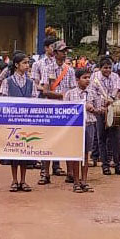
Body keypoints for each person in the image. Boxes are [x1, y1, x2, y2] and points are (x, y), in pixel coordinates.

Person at [35, 40, 76, 183]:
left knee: (68, 140)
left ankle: (70, 173)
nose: (65, 54)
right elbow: (45, 91)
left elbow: (73, 90)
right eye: (62, 51)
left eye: (66, 51)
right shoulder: (47, 68)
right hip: (51, 109)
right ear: (56, 53)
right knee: (48, 140)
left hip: (66, 110)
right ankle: (45, 173)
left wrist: (65, 97)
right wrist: (62, 95)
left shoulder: (70, 70)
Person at [0, 51, 39, 192]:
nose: (27, 65)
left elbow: (34, 101)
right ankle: (14, 179)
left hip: (26, 120)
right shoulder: (7, 81)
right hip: (12, 120)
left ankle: (23, 180)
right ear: (17, 65)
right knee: (14, 150)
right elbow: (4, 101)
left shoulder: (31, 82)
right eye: (24, 63)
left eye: (28, 63)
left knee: (25, 150)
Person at [64, 69, 97, 193]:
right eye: (84, 77)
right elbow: (65, 110)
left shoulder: (93, 93)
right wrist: (81, 107)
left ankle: (84, 181)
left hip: (89, 124)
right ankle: (76, 182)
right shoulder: (70, 94)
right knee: (76, 154)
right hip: (75, 127)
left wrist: (93, 109)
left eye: (89, 77)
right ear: (77, 79)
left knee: (85, 154)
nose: (87, 80)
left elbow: (99, 109)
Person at [92, 57, 120, 176]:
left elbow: (118, 89)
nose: (107, 70)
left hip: (113, 109)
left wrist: (111, 99)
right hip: (100, 111)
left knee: (116, 138)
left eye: (109, 68)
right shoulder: (94, 77)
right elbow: (92, 93)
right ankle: (105, 165)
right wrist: (101, 103)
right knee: (101, 138)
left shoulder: (115, 76)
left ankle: (117, 165)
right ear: (100, 68)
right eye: (105, 68)